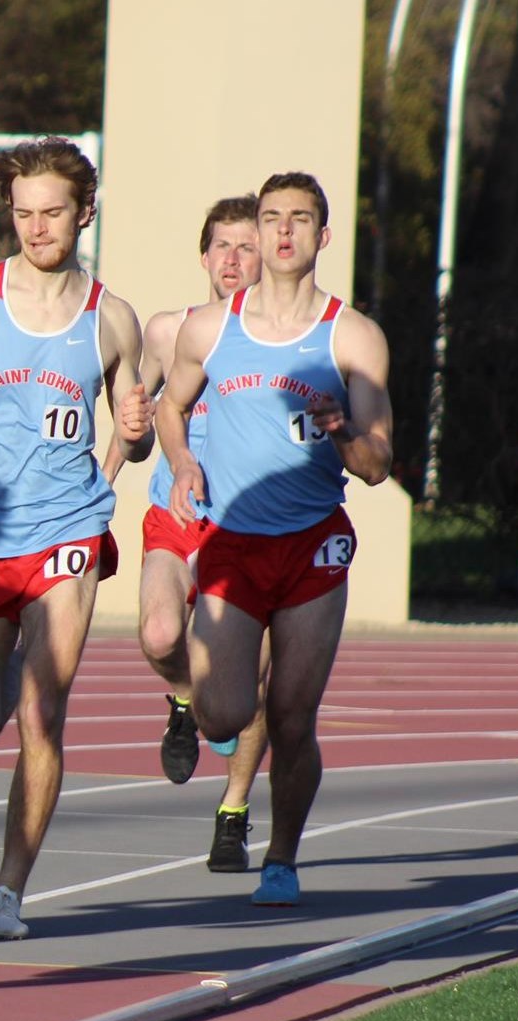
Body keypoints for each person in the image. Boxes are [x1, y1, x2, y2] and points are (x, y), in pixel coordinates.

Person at [0, 137, 152, 942]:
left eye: (52, 213)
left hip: (67, 530)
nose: (36, 228)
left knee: (45, 711)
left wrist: (135, 442)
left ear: (85, 211)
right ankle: (8, 662)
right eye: (23, 213)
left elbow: (133, 429)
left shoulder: (112, 318)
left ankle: (9, 887)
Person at [155, 172, 393, 907]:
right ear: (254, 234)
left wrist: (343, 432)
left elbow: (380, 462)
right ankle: (218, 706)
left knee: (293, 712)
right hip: (231, 540)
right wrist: (184, 459)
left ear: (322, 236)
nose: (283, 231)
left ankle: (282, 858)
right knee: (225, 712)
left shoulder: (351, 335)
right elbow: (171, 406)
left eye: (299, 219)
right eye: (270, 218)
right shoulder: (211, 327)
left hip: (314, 543)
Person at [107, 195, 271, 874]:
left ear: (267, 256)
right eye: (222, 247)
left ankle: (232, 814)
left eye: (246, 247)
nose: (232, 261)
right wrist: (104, 476)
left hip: (251, 528)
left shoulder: (283, 340)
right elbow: (134, 417)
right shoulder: (168, 330)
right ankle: (181, 695)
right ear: (203, 256)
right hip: (173, 517)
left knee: (250, 682)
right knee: (158, 634)